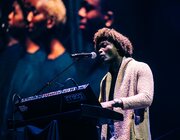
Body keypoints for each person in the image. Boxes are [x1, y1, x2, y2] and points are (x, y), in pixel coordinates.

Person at [94, 27, 154, 140]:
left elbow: (146, 98)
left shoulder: (140, 67)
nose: (100, 50)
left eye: (104, 45)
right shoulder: (105, 80)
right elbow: (101, 111)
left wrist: (114, 103)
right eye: (98, 48)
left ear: (118, 46)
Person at [77, 0, 114, 96]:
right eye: (81, 7)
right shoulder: (83, 61)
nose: (80, 13)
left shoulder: (119, 67)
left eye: (88, 8)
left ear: (108, 18)